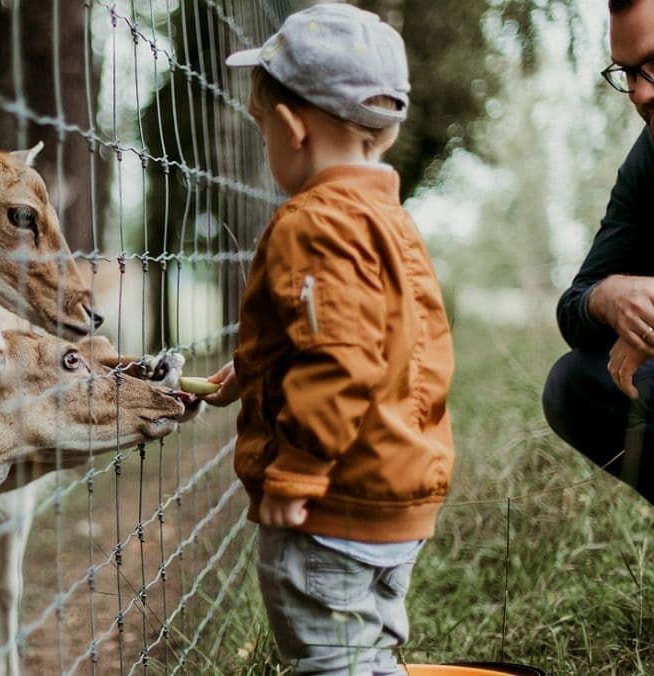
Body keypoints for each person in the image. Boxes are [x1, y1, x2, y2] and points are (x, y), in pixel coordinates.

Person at [202, 5, 456, 674]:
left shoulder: (312, 223)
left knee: (330, 662)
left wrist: (300, 469)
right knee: (368, 654)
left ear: (290, 127)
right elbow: (385, 342)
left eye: (264, 131)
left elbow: (342, 358)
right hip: (394, 495)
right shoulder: (391, 222)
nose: (267, 147)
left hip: (330, 504)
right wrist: (252, 371)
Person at [542, 0, 654, 503]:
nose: (641, 93)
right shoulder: (649, 157)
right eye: (627, 73)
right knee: (575, 383)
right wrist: (609, 298)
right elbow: (575, 306)